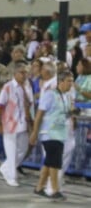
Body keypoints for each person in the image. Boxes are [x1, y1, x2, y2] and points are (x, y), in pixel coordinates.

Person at [30, 70, 76, 201]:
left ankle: (39, 187)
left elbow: (63, 113)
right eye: (68, 81)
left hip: (60, 133)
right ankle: (55, 190)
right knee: (55, 163)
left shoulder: (66, 97)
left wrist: (72, 112)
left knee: (49, 162)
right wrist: (34, 131)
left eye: (72, 81)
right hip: (49, 133)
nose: (71, 84)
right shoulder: (50, 95)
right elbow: (39, 114)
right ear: (60, 82)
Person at [0, 62, 34, 186]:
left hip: (23, 123)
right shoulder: (8, 87)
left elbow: (30, 104)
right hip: (9, 124)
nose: (24, 75)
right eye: (22, 73)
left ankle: (5, 167)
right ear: (15, 73)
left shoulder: (28, 86)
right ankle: (11, 177)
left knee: (23, 149)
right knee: (11, 151)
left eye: (26, 72)